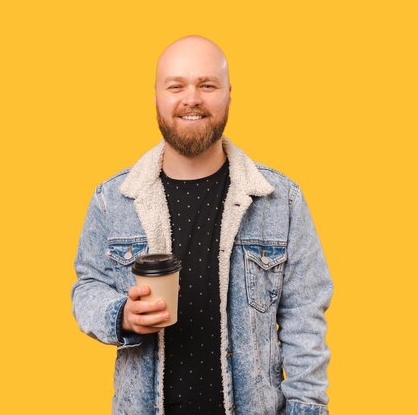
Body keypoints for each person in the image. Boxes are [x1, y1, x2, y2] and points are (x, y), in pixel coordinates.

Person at [71, 35, 333, 415]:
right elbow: (87, 287)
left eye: (207, 85)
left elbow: (305, 316)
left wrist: (307, 408)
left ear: (229, 94)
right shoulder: (113, 198)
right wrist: (121, 316)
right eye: (176, 86)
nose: (191, 98)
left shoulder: (282, 199)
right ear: (157, 96)